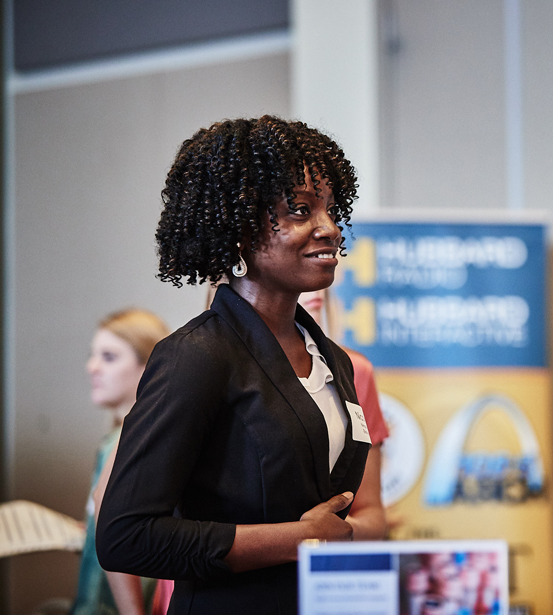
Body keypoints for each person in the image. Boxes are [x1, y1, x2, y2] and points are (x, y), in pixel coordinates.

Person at [97, 116, 376, 615]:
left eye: (331, 210)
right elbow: (126, 537)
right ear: (240, 230)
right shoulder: (197, 355)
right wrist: (298, 539)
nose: (330, 229)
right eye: (300, 209)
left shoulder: (334, 361)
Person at [73, 309, 169, 615]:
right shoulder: (113, 441)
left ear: (149, 366)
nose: (92, 367)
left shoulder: (131, 444)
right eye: (93, 355)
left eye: (109, 357)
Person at [298, 287, 389, 539]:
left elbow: (372, 517)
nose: (317, 288)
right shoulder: (209, 359)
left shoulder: (353, 370)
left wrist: (337, 530)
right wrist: (293, 534)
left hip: (327, 559)